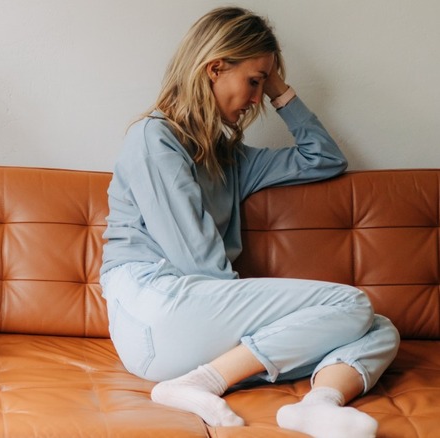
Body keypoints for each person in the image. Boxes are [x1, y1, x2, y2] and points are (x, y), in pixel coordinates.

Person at [100, 7, 399, 438]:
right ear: (215, 68)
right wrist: (261, 324)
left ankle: (318, 405)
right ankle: (197, 382)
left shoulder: (232, 159)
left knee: (378, 327)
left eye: (265, 85)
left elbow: (325, 158)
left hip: (194, 322)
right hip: (153, 309)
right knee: (350, 305)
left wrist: (278, 83)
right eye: (254, 81)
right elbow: (197, 260)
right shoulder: (154, 138)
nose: (259, 98)